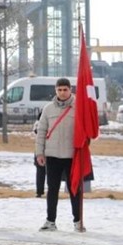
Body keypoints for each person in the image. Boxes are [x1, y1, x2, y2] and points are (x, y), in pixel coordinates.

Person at [35, 78, 84, 232]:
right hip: (53, 155)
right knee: (52, 188)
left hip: (72, 156)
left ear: (71, 90)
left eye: (65, 89)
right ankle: (50, 221)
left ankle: (78, 220)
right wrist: (39, 153)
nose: (62, 93)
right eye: (59, 90)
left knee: (75, 189)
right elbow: (41, 131)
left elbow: (85, 130)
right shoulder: (48, 109)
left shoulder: (79, 108)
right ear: (55, 91)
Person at [33, 110, 45, 198]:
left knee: (40, 172)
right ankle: (40, 191)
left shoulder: (37, 124)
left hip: (39, 149)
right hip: (46, 149)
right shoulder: (40, 124)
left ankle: (39, 191)